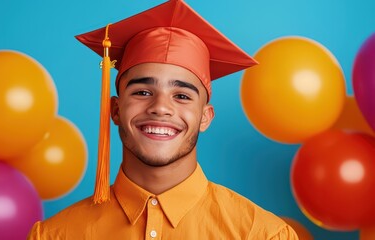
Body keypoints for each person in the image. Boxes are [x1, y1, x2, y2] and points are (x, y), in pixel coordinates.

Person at [28, 0, 299, 239]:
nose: (160, 107)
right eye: (143, 92)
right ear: (115, 109)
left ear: (205, 117)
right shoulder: (57, 235)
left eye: (181, 96)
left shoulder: (260, 234)